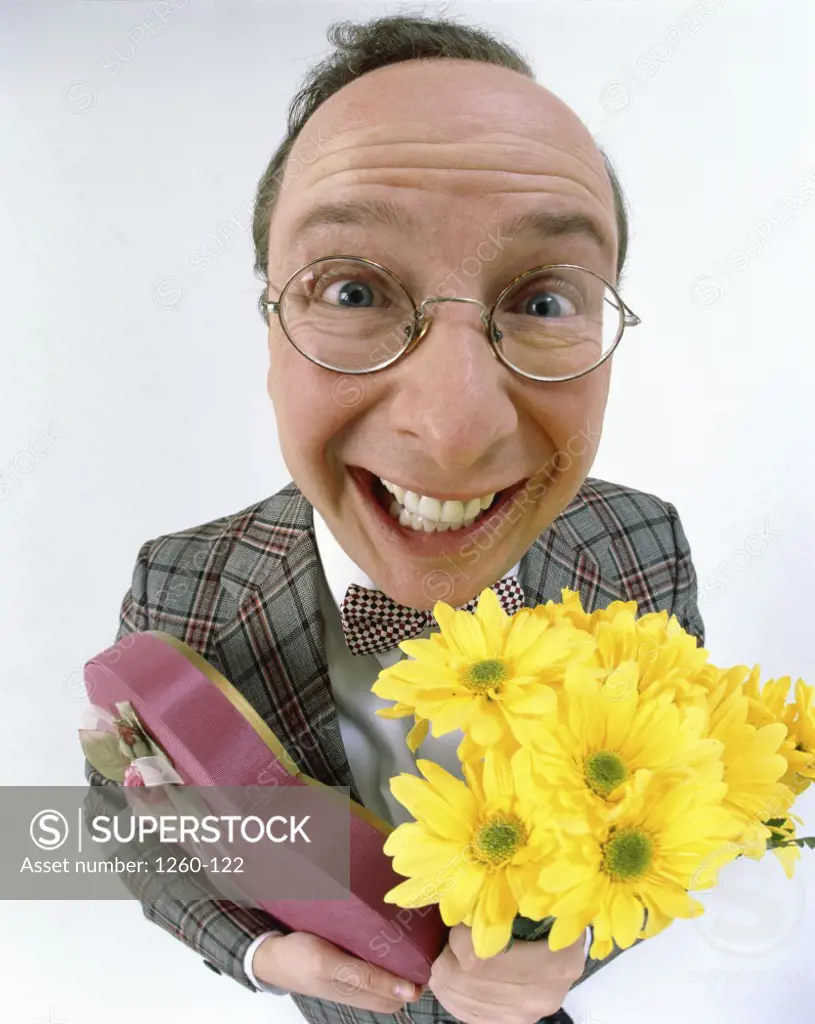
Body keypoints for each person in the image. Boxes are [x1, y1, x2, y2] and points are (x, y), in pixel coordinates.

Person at [84, 14, 704, 1024]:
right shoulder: (183, 584)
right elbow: (124, 814)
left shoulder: (641, 549)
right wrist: (252, 954)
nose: (454, 428)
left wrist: (574, 947)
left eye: (545, 300)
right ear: (270, 332)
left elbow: (674, 817)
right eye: (353, 289)